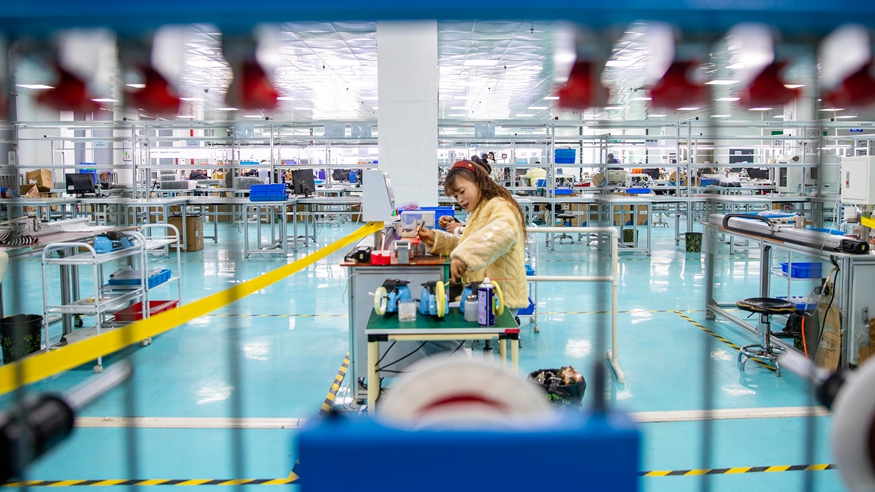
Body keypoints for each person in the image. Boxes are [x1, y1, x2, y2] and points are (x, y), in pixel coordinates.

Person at [419, 160, 528, 314]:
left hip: (500, 298)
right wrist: (435, 238)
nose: (460, 200)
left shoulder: (499, 206)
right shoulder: (479, 210)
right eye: (455, 196)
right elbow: (467, 242)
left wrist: (464, 257)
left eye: (462, 191)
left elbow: (503, 232)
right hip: (484, 294)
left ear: (479, 182)